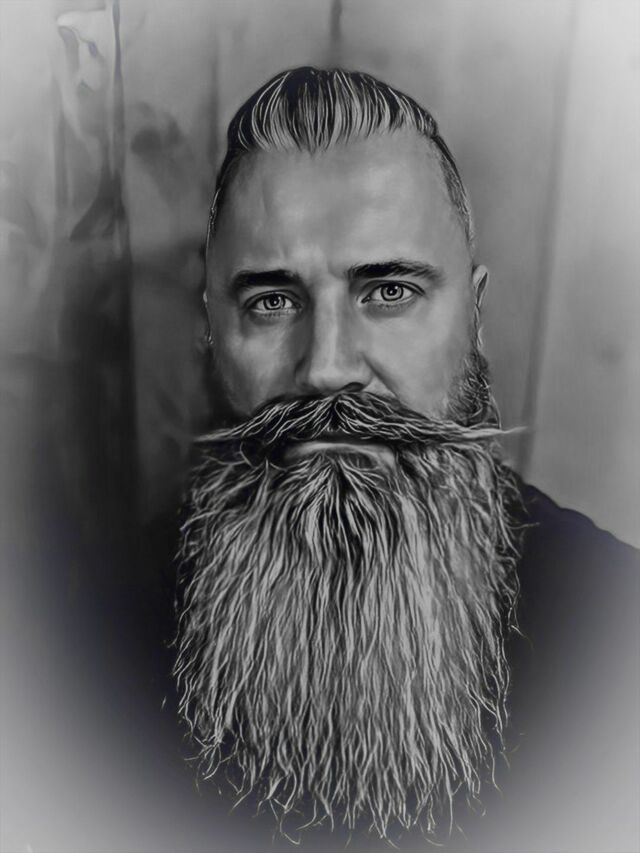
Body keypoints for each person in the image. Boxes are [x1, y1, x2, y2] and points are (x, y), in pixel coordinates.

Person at [147, 67, 638, 851]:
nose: (327, 367)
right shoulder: (84, 644)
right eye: (272, 301)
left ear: (474, 315)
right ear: (212, 329)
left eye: (389, 292)